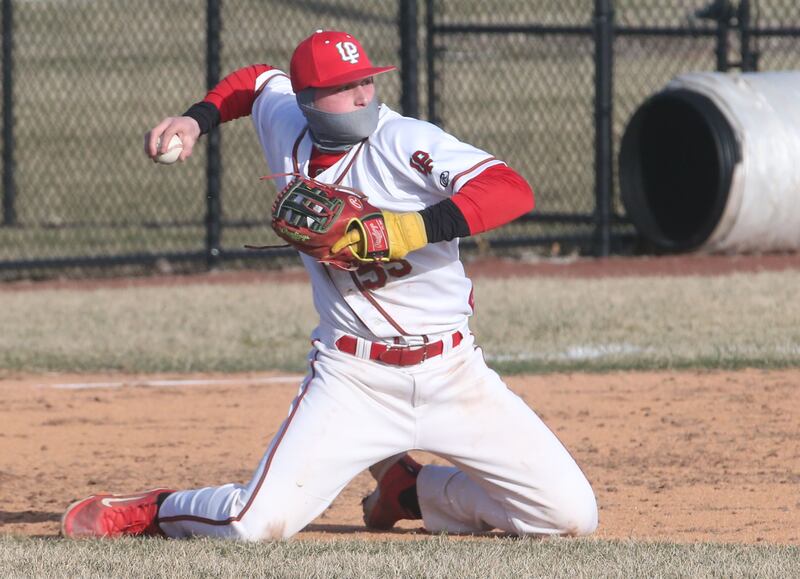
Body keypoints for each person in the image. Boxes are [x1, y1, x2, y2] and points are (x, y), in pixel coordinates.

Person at [61, 30, 598, 540]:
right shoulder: (285, 119)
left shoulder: (403, 139)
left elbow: (511, 190)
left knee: (570, 517)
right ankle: (154, 510)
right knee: (253, 526)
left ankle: (412, 492)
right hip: (353, 379)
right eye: (344, 87)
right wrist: (196, 120)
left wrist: (404, 229)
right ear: (308, 99)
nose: (362, 93)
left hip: (454, 373)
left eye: (366, 80)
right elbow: (254, 81)